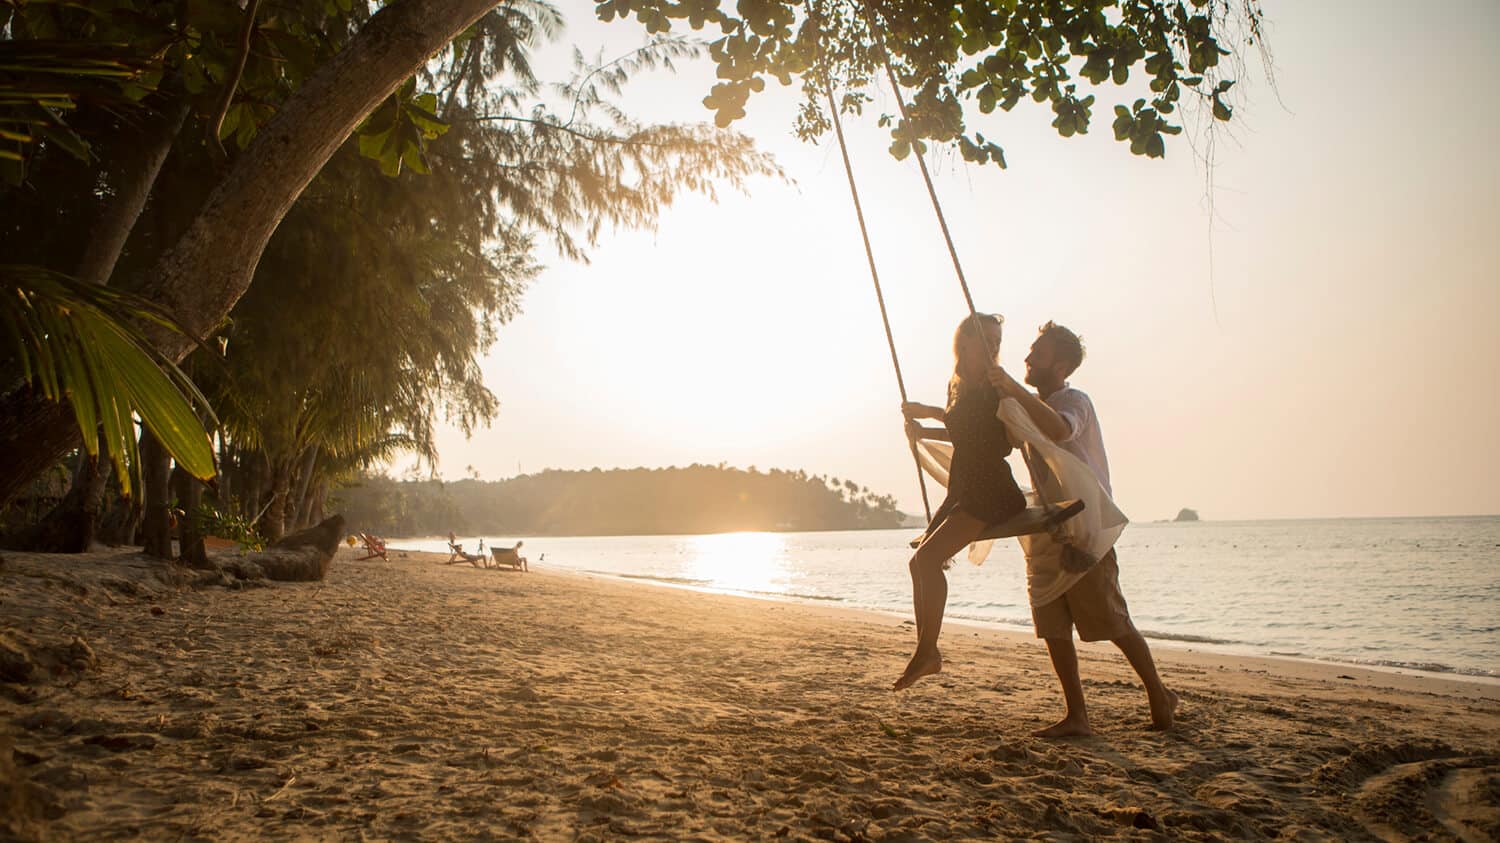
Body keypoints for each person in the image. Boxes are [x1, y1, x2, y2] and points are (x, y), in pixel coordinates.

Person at [988, 321, 1176, 735]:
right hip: (1047, 526)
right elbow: (989, 441)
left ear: (1060, 365)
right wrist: (928, 423)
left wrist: (1013, 391)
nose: (1026, 359)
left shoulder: (1075, 400)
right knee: (1053, 627)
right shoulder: (1023, 404)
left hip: (1084, 526)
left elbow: (1060, 429)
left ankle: (1159, 694)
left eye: (1037, 353)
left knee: (1111, 619)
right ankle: (1078, 716)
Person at [896, 313, 1028, 691]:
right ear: (964, 343)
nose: (994, 347)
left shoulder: (994, 385)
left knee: (926, 560)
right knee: (918, 563)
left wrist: (932, 415)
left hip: (990, 490)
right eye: (987, 339)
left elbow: (1003, 440)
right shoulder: (959, 385)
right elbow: (965, 433)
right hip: (965, 486)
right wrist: (926, 427)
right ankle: (926, 651)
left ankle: (927, 652)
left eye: (998, 341)